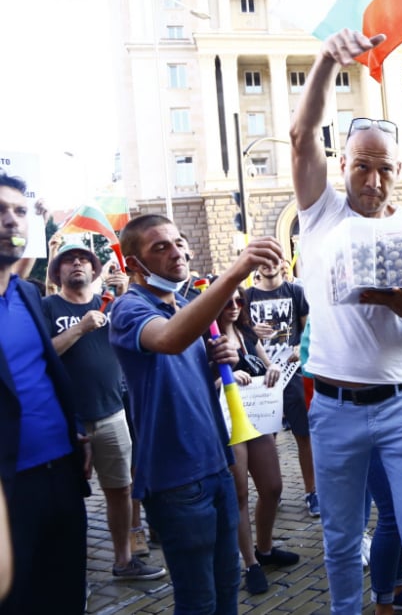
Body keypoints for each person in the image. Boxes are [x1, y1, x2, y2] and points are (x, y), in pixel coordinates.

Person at [289, 28, 402, 614]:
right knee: (339, 544)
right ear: (343, 164)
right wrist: (326, 62)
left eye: (384, 169)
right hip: (332, 407)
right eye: (362, 167)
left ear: (398, 170)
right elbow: (299, 132)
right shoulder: (320, 213)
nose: (373, 181)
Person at [109, 213, 284, 614]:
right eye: (160, 247)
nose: (178, 253)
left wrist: (212, 363)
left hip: (216, 467)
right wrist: (237, 271)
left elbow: (183, 375)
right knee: (197, 600)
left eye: (178, 242)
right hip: (175, 481)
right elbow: (168, 340)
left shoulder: (187, 305)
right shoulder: (128, 308)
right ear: (133, 264)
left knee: (226, 587)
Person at [41, 243, 166, 581]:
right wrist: (80, 327)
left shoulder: (109, 304)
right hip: (65, 421)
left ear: (95, 270)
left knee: (120, 489)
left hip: (111, 413)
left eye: (83, 259)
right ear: (57, 272)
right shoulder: (47, 307)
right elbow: (42, 355)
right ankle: (68, 570)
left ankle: (124, 561)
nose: (77, 264)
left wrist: (126, 294)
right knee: (65, 497)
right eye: (68, 261)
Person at [0, 173, 90, 615]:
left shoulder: (28, 296)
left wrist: (74, 432)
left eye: (18, 211)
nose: (10, 221)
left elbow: (49, 375)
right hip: (10, 486)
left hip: (62, 473)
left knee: (66, 591)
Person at [212, 285, 298, 594]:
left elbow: (268, 361)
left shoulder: (246, 333)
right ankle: (250, 563)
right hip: (229, 424)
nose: (234, 305)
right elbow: (199, 377)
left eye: (239, 300)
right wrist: (224, 376)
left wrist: (273, 369)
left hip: (258, 418)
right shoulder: (207, 338)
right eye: (227, 301)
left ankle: (265, 548)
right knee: (239, 495)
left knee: (272, 487)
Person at [244, 259, 317, 517]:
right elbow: (241, 331)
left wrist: (300, 348)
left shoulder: (295, 292)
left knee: (304, 435)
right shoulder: (247, 296)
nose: (268, 266)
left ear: (281, 264)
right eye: (262, 262)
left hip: (293, 374)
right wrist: (253, 331)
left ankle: (312, 491)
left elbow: (308, 328)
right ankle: (271, 493)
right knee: (266, 439)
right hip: (261, 378)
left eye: (273, 261)